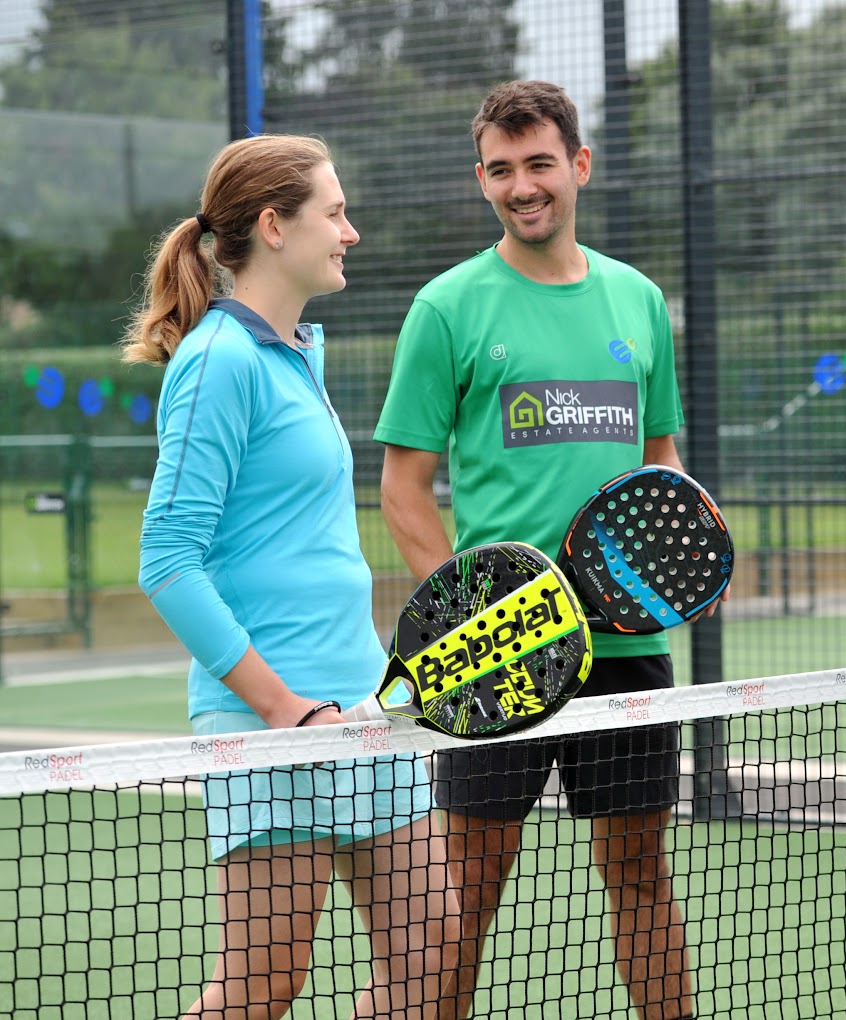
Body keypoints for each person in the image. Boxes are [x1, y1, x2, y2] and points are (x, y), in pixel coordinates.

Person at [374, 80, 697, 1020]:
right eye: (504, 170)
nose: (525, 185)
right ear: (483, 180)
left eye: (541, 164)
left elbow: (660, 460)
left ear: (578, 167)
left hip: (628, 650)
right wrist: (471, 614)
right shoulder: (446, 308)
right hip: (496, 654)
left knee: (640, 869)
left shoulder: (638, 300)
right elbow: (403, 488)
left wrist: (668, 565)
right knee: (464, 891)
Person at [127, 135, 456, 1019]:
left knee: (431, 962)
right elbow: (167, 562)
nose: (350, 231)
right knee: (262, 988)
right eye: (334, 212)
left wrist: (353, 696)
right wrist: (285, 711)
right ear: (274, 227)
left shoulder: (300, 348)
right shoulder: (217, 362)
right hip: (272, 726)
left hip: (364, 709)